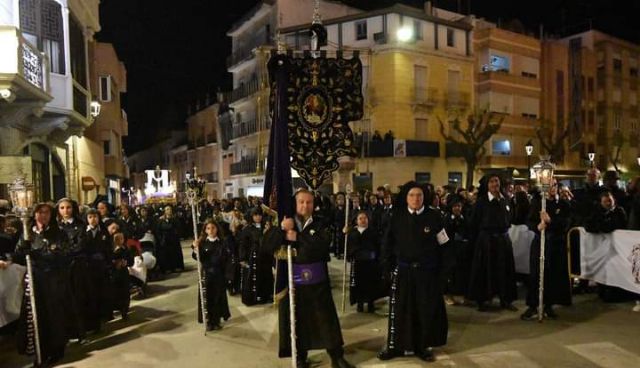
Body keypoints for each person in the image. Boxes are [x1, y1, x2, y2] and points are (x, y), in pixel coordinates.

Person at [264, 189, 354, 368]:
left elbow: (322, 247)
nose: (305, 206)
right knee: (297, 320)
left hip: (318, 281)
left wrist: (298, 238)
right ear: (295, 203)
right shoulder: (284, 222)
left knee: (326, 320)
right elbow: (266, 246)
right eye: (301, 202)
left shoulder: (320, 223)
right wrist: (282, 229)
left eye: (309, 202)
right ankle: (300, 357)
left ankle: (337, 357)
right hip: (293, 283)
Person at [377, 181, 448, 362]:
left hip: (426, 273)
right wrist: (386, 268)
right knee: (400, 310)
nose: (416, 199)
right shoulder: (396, 217)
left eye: (419, 196)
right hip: (403, 271)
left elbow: (444, 245)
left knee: (424, 310)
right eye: (412, 195)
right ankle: (396, 346)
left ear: (425, 198)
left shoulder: (434, 217)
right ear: (406, 198)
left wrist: (443, 273)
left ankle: (422, 346)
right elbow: (387, 244)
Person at [14, 203, 75, 366]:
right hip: (35, 280)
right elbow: (18, 254)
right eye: (40, 212)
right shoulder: (28, 233)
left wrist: (38, 254)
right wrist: (23, 249)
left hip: (53, 280)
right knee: (36, 316)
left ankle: (56, 349)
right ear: (34, 215)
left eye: (47, 212)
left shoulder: (58, 233)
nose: (43, 215)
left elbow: (63, 255)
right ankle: (40, 351)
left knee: (53, 315)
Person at [521, 183, 572, 321]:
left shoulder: (564, 204)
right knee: (536, 274)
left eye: (554, 185)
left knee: (552, 275)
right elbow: (529, 220)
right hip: (540, 242)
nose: (552, 188)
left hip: (555, 244)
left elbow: (566, 223)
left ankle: (548, 305)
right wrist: (537, 226)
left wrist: (551, 221)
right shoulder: (538, 203)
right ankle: (532, 306)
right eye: (549, 185)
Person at [467, 174, 518, 312]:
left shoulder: (506, 200)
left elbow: (511, 217)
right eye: (492, 181)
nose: (495, 184)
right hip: (487, 241)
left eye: (497, 181)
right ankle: (482, 300)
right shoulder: (482, 202)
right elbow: (473, 222)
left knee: (504, 270)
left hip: (503, 240)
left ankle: (505, 299)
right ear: (487, 185)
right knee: (485, 270)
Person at [56, 198, 89, 342]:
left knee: (78, 299)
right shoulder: (56, 226)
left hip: (77, 267)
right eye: (62, 208)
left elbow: (80, 245)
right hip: (60, 268)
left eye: (68, 207)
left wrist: (64, 251)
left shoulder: (80, 225)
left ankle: (81, 333)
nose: (65, 211)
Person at [192, 220, 232, 331]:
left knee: (218, 298)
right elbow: (197, 257)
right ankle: (208, 321)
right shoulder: (203, 243)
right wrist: (196, 248)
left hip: (219, 274)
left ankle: (216, 320)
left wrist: (227, 274)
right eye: (208, 228)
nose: (211, 231)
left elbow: (227, 259)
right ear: (205, 230)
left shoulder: (222, 243)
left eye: (213, 228)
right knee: (208, 298)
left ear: (217, 229)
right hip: (207, 275)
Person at [347, 211, 385, 313]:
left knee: (371, 283)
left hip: (370, 262)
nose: (363, 220)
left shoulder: (373, 232)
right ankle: (359, 303)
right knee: (359, 283)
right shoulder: (352, 233)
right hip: (358, 262)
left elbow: (378, 246)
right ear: (356, 221)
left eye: (365, 218)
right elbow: (348, 246)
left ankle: (370, 303)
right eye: (360, 218)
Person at [81, 208, 112, 331]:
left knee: (102, 292)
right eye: (90, 217)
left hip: (101, 267)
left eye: (95, 217)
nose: (93, 219)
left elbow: (108, 249)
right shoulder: (84, 232)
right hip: (88, 267)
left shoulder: (103, 232)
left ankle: (103, 316)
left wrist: (108, 262)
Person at [238, 208, 273, 305]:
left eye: (259, 214)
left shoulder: (265, 227)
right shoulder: (247, 229)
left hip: (264, 257)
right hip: (252, 257)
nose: (258, 217)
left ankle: (264, 297)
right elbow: (242, 244)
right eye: (255, 215)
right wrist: (242, 258)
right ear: (251, 216)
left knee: (265, 276)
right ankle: (252, 299)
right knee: (252, 277)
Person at [156, 206, 185, 273]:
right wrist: (160, 239)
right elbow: (158, 230)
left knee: (175, 254)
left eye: (170, 209)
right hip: (165, 240)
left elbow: (179, 228)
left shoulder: (174, 219)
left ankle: (176, 267)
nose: (169, 211)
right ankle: (167, 268)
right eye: (167, 209)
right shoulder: (161, 220)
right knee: (166, 254)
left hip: (174, 239)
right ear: (165, 211)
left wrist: (177, 234)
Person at [111, 232, 131, 320]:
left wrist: (126, 262)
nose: (119, 241)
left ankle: (124, 311)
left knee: (125, 293)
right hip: (114, 274)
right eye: (117, 239)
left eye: (121, 239)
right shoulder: (111, 250)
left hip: (123, 273)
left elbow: (131, 260)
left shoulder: (126, 249)